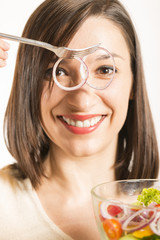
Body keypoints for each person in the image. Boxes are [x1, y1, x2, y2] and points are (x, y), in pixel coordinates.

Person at [0, 0, 159, 239]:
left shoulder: (153, 210)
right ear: (29, 83)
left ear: (134, 83)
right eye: (58, 71)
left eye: (105, 69)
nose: (82, 102)